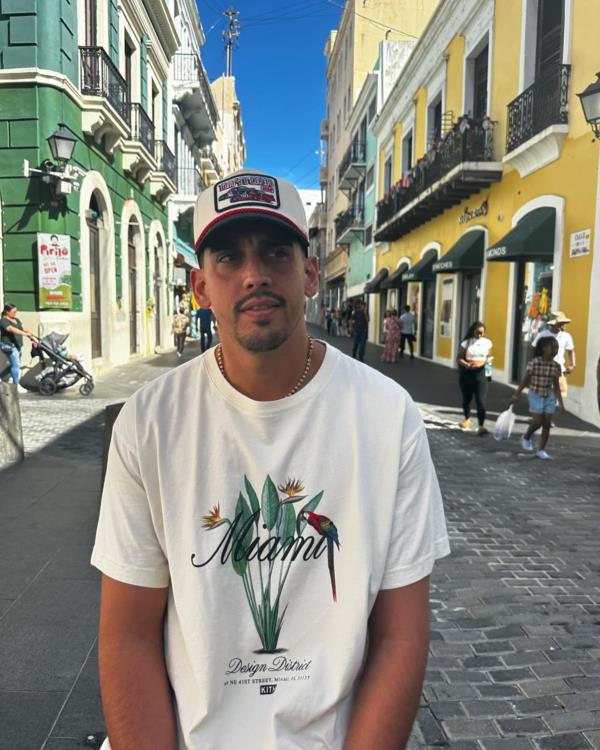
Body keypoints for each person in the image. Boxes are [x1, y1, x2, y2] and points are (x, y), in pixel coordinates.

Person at [92, 169, 450, 750]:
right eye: (228, 258)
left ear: (310, 274)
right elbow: (128, 635)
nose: (254, 274)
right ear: (200, 287)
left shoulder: (387, 415)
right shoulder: (149, 422)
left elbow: (400, 637)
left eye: (277, 253)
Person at [512, 336, 563, 459]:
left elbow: (556, 386)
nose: (555, 350)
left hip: (549, 396)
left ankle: (541, 450)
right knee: (538, 422)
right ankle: (526, 437)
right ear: (544, 348)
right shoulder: (534, 363)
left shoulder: (556, 366)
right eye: (552, 347)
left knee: (547, 423)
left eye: (557, 348)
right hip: (535, 395)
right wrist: (516, 394)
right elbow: (525, 380)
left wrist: (561, 403)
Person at [456, 321, 493, 435]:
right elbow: (459, 358)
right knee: (467, 399)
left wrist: (489, 374)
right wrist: (467, 364)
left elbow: (489, 358)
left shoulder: (487, 343)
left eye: (482, 333)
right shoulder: (466, 343)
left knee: (481, 401)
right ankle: (467, 420)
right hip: (467, 375)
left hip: (481, 374)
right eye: (478, 332)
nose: (480, 335)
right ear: (473, 331)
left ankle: (481, 426)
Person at [532, 311, 575, 399]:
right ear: (553, 324)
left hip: (560, 372)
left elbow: (571, 351)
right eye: (560, 324)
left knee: (559, 397)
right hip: (544, 371)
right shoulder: (543, 335)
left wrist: (572, 365)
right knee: (544, 397)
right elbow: (533, 349)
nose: (563, 326)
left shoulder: (566, 336)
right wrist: (533, 364)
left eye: (564, 323)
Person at [0, 303, 33, 393]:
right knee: (16, 365)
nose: (15, 313)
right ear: (7, 312)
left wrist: (30, 335)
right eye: (13, 312)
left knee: (14, 365)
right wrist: (25, 334)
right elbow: (10, 329)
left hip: (17, 345)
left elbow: (21, 328)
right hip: (9, 345)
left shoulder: (16, 320)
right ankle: (16, 385)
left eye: (16, 311)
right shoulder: (3, 321)